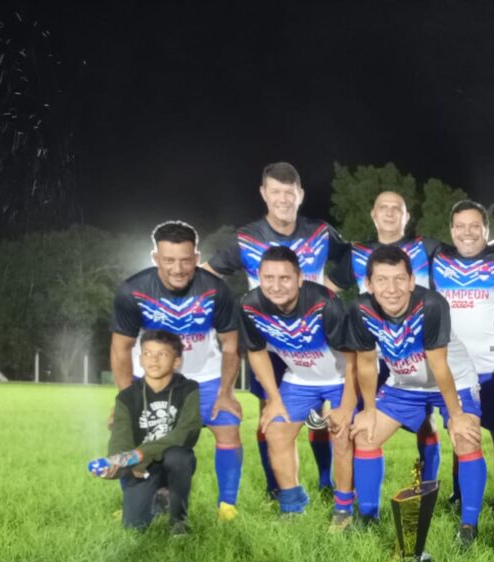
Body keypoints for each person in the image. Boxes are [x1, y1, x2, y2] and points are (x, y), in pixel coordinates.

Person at [204, 162, 347, 498]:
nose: (282, 199)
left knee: (324, 416)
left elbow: (354, 257)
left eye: (289, 192)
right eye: (275, 192)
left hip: (319, 341)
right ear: (263, 194)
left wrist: (331, 286)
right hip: (271, 343)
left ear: (300, 195)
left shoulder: (321, 232)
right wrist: (225, 315)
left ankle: (327, 482)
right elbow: (207, 276)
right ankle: (277, 489)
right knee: (271, 413)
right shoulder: (245, 238)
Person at [348, 245, 487, 545]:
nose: (392, 289)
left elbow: (439, 365)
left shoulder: (432, 304)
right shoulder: (361, 309)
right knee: (365, 435)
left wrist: (458, 416)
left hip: (453, 380)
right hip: (405, 384)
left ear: (412, 281)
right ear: (369, 285)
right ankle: (368, 516)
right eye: (382, 280)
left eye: (399, 279)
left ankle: (469, 526)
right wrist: (369, 409)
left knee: (465, 437)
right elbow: (367, 362)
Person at [109, 221, 243, 521]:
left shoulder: (215, 290)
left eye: (185, 259)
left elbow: (231, 346)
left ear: (196, 257)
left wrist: (226, 393)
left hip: (205, 378)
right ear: (156, 257)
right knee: (136, 437)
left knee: (228, 426)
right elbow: (120, 348)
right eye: (169, 260)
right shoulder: (134, 290)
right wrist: (125, 398)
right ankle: (142, 500)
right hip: (152, 380)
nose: (178, 268)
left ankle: (227, 507)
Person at [238, 247, 356, 523]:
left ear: (299, 278)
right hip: (299, 378)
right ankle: (292, 505)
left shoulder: (324, 303)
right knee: (276, 431)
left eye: (285, 278)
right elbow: (256, 352)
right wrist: (273, 398)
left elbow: (353, 359)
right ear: (259, 277)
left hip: (340, 376)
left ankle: (343, 509)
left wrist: (346, 406)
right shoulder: (249, 305)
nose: (276, 286)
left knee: (342, 436)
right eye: (269, 278)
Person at [431, 199, 494, 500]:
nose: (468, 232)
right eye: (461, 226)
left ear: (486, 230)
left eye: (475, 226)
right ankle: (460, 492)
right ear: (451, 231)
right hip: (456, 367)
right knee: (460, 425)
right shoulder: (436, 257)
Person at [92, 330, 202, 535]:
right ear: (140, 359)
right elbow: (120, 437)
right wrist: (116, 463)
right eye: (147, 353)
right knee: (134, 526)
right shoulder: (126, 397)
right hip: (140, 466)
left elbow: (187, 431)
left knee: (180, 457)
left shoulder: (188, 389)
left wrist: (140, 453)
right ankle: (159, 499)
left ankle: (178, 521)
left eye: (162, 354)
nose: (153, 359)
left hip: (171, 459)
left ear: (176, 361)